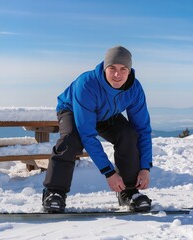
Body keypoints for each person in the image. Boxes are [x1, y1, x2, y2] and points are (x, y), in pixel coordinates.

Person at [42, 46, 152, 213]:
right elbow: (87, 134)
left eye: (123, 69)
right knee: (70, 140)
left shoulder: (134, 89)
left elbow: (143, 129)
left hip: (107, 114)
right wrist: (108, 172)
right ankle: (54, 193)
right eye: (112, 68)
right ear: (104, 67)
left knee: (129, 134)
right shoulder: (86, 84)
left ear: (129, 71)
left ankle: (129, 192)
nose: (117, 74)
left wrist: (145, 167)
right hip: (73, 110)